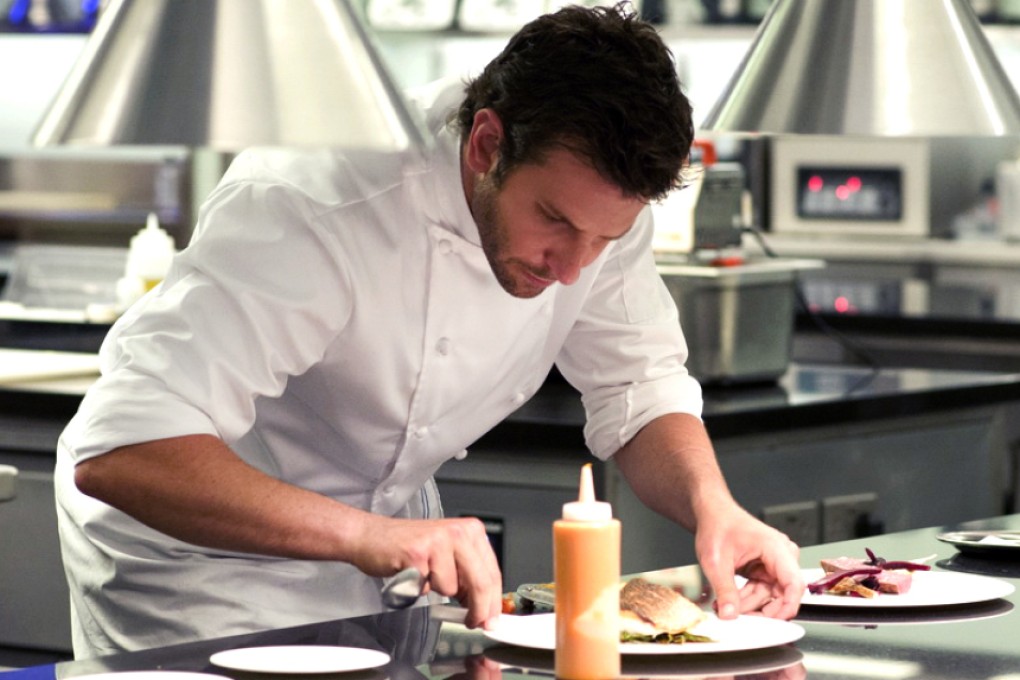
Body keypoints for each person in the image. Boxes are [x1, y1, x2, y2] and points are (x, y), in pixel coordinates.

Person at [54, 2, 803, 658]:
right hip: (198, 570)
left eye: (604, 240)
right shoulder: (313, 201)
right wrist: (368, 536)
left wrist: (715, 510)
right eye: (553, 220)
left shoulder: (597, 211)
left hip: (389, 551)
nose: (574, 269)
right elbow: (124, 448)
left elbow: (639, 386)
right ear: (486, 145)